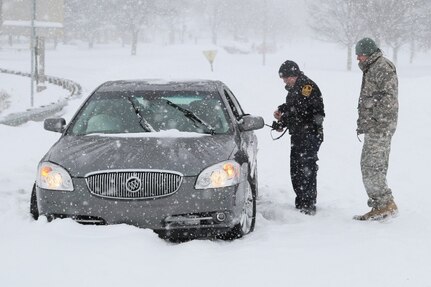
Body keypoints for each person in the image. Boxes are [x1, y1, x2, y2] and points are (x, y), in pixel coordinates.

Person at [353, 38, 399, 221]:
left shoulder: (382, 67)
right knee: (371, 165)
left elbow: (389, 99)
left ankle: (384, 204)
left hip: (380, 126)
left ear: (370, 53)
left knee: (372, 166)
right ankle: (382, 203)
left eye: (360, 54)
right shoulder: (372, 67)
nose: (358, 58)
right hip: (375, 126)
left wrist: (372, 112)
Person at [273, 60, 325, 215]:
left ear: (293, 75)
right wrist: (282, 110)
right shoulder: (295, 88)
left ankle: (308, 203)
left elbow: (302, 111)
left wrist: (284, 119)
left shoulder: (307, 87)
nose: (284, 81)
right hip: (299, 134)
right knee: (296, 169)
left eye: (286, 77)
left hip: (309, 135)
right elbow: (293, 106)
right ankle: (301, 200)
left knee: (306, 169)